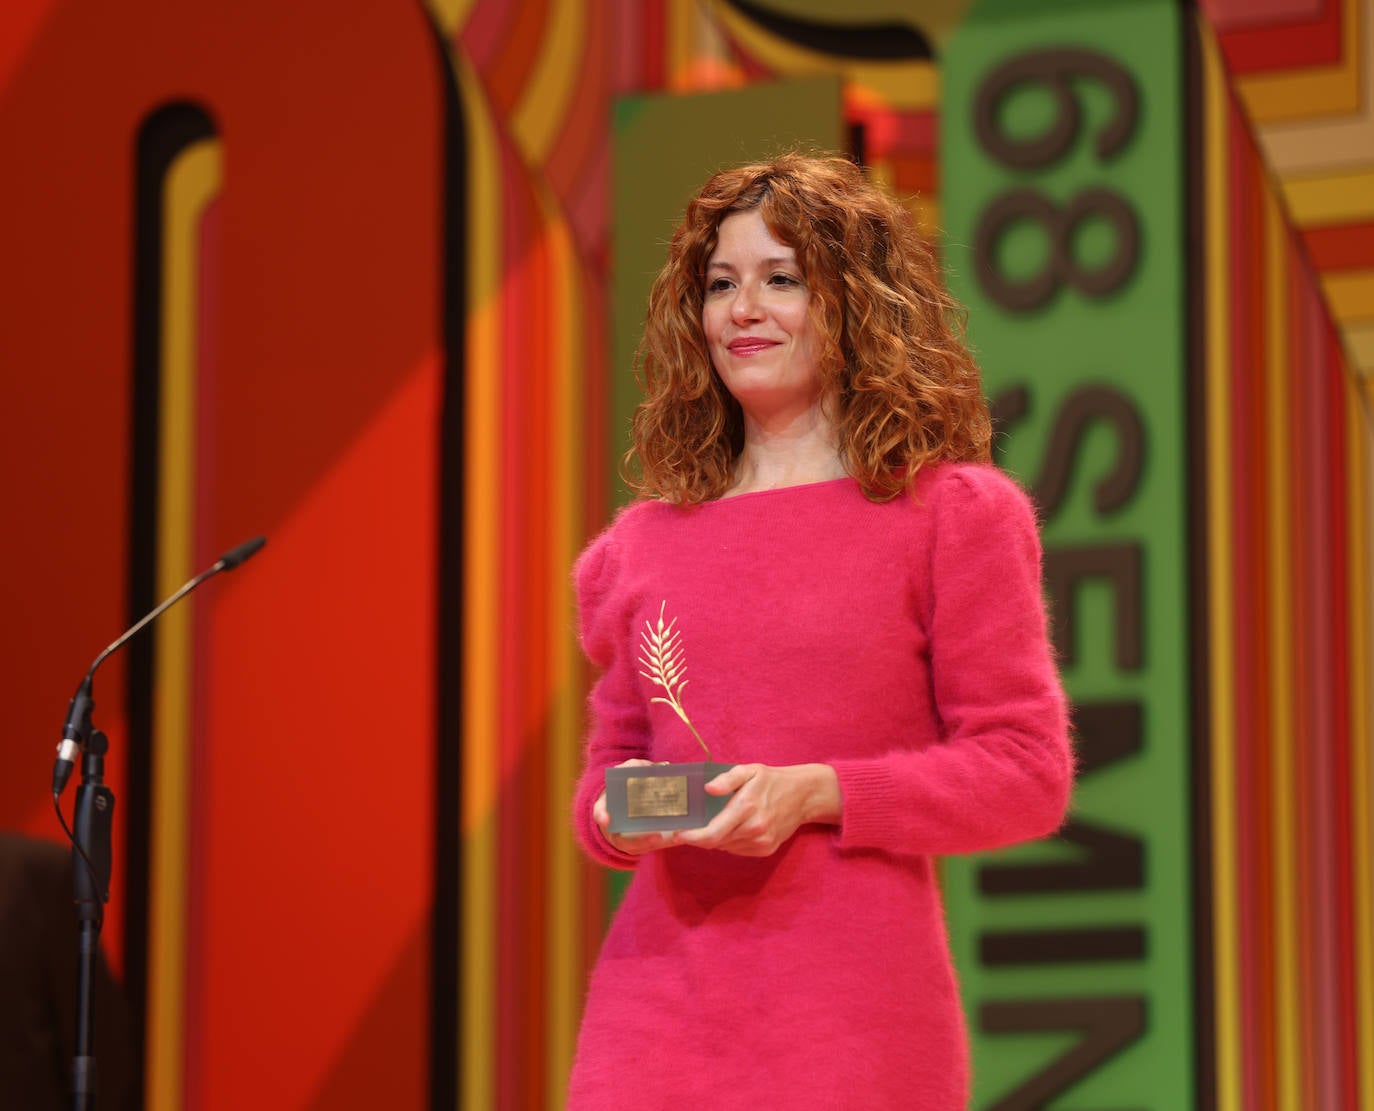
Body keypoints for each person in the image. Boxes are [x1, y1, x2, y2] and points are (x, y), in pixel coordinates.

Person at [567, 152, 1072, 1109]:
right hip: (652, 1013)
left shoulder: (952, 516)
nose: (743, 309)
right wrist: (617, 812)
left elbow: (1025, 771)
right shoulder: (639, 546)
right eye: (721, 284)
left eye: (781, 279)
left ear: (858, 301)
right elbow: (612, 762)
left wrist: (819, 792)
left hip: (853, 1020)